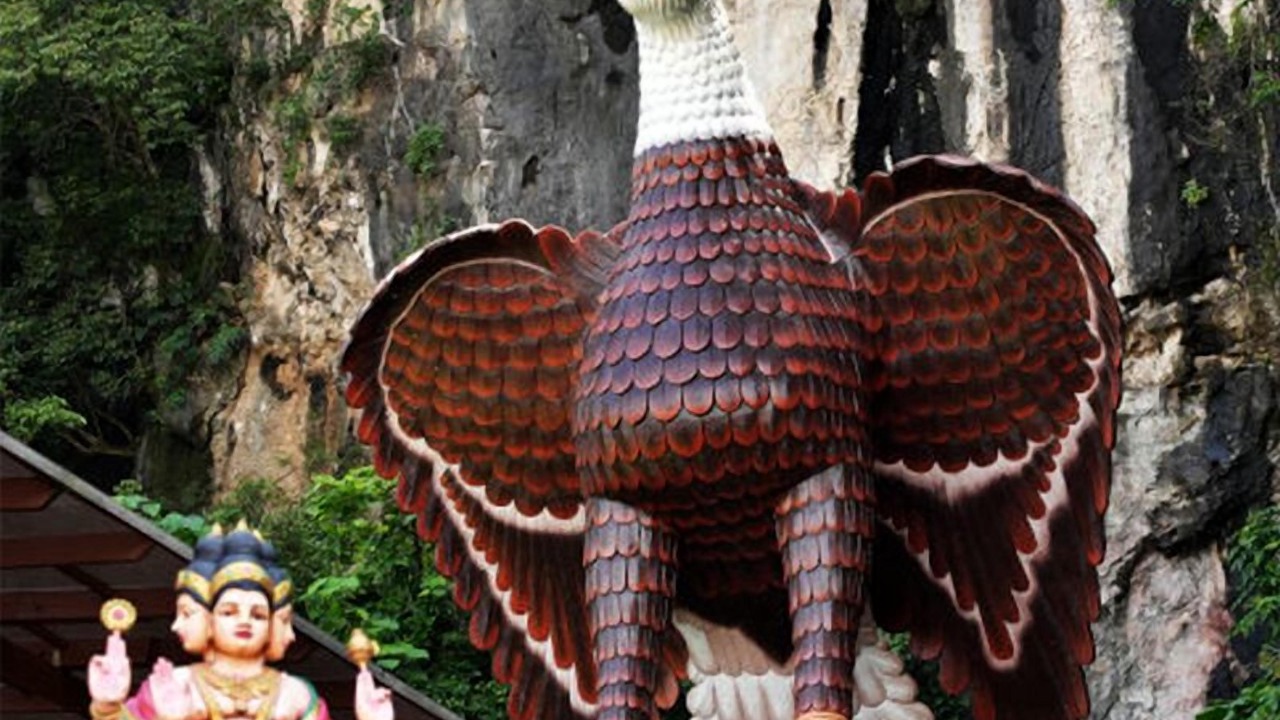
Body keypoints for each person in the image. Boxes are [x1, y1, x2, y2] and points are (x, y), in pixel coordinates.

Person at [87, 522, 394, 720]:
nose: (245, 621)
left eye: (259, 614)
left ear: (276, 623)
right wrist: (107, 707)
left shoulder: (297, 696)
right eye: (229, 612)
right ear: (206, 619)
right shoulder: (171, 685)